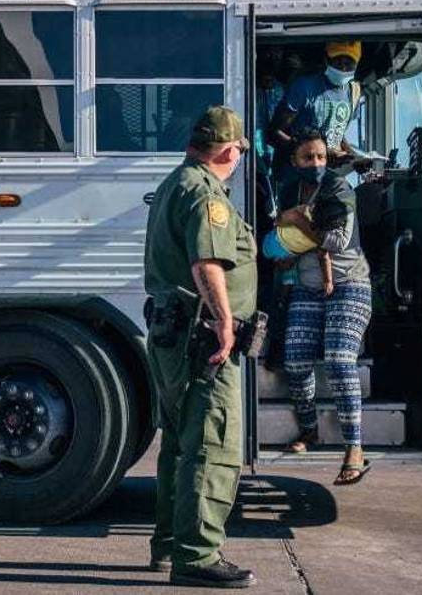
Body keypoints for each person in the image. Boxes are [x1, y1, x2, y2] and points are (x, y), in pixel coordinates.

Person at [143, 105, 258, 588]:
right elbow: (207, 261)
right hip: (202, 340)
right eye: (238, 153)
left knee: (181, 445)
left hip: (177, 336)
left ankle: (170, 546)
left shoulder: (176, 182)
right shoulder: (205, 193)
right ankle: (197, 556)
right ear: (228, 150)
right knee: (213, 445)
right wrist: (225, 322)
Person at [264, 131, 373, 485]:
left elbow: (338, 240)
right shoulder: (289, 191)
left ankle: (354, 447)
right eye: (308, 158)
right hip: (307, 286)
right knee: (294, 360)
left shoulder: (339, 190)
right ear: (295, 161)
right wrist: (284, 249)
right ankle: (309, 429)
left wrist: (298, 222)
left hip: (349, 284)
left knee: (340, 361)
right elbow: (281, 232)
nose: (316, 164)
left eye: (321, 157)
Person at [266, 40, 363, 178]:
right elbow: (273, 133)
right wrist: (318, 153)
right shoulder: (304, 87)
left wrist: (353, 157)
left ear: (357, 64)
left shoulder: (354, 92)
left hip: (328, 176)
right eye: (338, 61)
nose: (343, 67)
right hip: (296, 177)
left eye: (349, 63)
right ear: (326, 60)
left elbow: (336, 130)